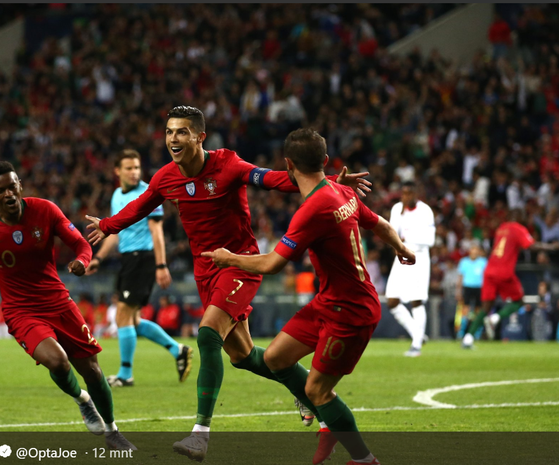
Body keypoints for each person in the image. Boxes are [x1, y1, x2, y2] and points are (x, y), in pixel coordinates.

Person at [86, 106, 371, 461]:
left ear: (199, 137)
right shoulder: (165, 178)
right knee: (243, 357)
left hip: (240, 265)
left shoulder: (229, 165)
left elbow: (272, 179)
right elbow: (141, 207)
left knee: (207, 334)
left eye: (182, 132)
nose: (173, 139)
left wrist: (324, 182)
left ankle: (200, 434)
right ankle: (300, 388)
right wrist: (108, 226)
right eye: (169, 132)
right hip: (207, 271)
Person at [202, 128, 415, 465]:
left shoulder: (312, 209)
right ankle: (327, 421)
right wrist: (401, 247)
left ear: (287, 164)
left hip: (351, 311)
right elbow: (381, 225)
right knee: (275, 359)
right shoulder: (341, 190)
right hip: (328, 300)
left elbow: (272, 263)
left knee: (318, 390)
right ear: (326, 161)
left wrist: (229, 258)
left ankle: (363, 459)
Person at [0, 161, 135, 450]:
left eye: (12, 187)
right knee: (58, 361)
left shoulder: (46, 210)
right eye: (0, 190)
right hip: (20, 311)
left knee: (93, 370)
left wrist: (82, 261)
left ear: (20, 186)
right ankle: (82, 400)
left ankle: (113, 431)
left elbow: (82, 244)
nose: (8, 194)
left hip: (58, 301)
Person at [85, 149, 192, 387]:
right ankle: (178, 350)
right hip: (127, 260)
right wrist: (99, 258)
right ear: (117, 171)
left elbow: (156, 231)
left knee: (123, 315)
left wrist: (161, 265)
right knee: (131, 320)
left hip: (144, 258)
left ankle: (126, 374)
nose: (134, 173)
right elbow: (114, 232)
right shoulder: (116, 195)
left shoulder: (148, 192)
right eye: (129, 168)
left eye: (137, 168)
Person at [461, 210, 551, 348]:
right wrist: (552, 247)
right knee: (519, 301)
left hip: (489, 270)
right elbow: (531, 246)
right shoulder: (518, 229)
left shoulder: (502, 228)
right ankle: (495, 318)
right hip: (504, 272)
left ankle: (468, 338)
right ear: (520, 217)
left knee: (486, 306)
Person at [385, 181, 435, 357]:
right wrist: (400, 243)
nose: (406, 197)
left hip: (419, 257)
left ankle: (416, 345)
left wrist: (406, 238)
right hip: (401, 256)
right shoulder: (397, 209)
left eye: (409, 193)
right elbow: (392, 234)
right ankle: (418, 334)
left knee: (416, 300)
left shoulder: (425, 211)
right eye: (403, 193)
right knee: (392, 301)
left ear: (416, 194)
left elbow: (430, 240)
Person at [455, 242, 487, 339]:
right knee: (465, 310)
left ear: (479, 252)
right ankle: (461, 333)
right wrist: (458, 291)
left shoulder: (483, 262)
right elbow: (460, 277)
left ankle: (477, 333)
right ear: (470, 251)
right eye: (473, 250)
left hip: (479, 288)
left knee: (478, 311)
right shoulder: (464, 262)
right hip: (467, 288)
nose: (474, 252)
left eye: (476, 250)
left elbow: (486, 277)